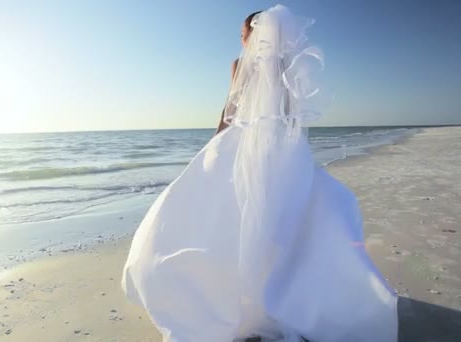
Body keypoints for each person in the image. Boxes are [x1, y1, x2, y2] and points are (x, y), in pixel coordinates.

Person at [122, 5, 398, 341]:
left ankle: (231, 296)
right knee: (280, 216)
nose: (241, 38)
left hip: (241, 142)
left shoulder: (240, 64)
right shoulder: (286, 66)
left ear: (251, 33)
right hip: (279, 146)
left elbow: (230, 108)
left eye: (242, 33)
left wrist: (216, 141)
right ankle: (274, 293)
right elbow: (290, 113)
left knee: (229, 215)